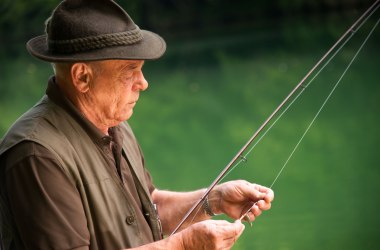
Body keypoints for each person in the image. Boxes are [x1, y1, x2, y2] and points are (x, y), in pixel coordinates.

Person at [0, 0, 274, 249]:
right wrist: (183, 246)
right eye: (130, 71)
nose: (143, 83)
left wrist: (213, 200)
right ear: (82, 77)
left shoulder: (113, 121)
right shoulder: (36, 154)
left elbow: (149, 208)